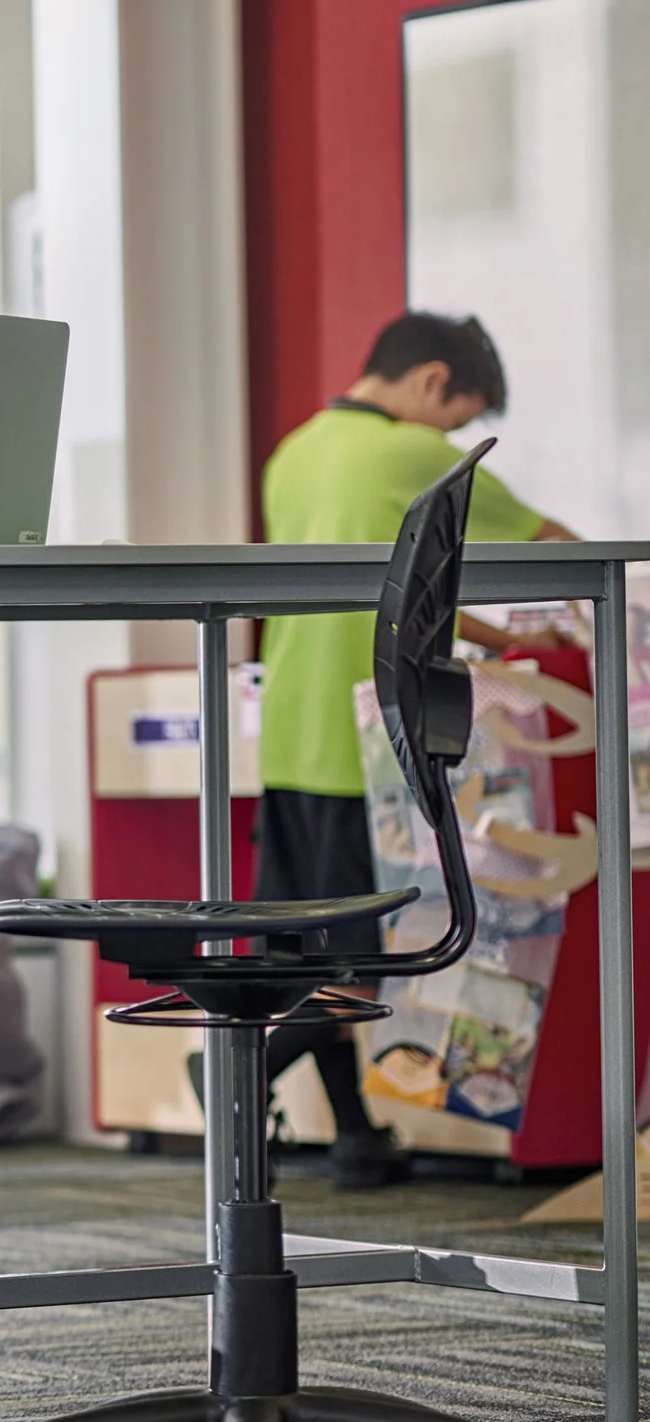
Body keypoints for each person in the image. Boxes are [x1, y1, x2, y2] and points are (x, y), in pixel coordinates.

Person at [248, 311, 577, 1190]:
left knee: (312, 949)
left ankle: (354, 1136)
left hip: (289, 726)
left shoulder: (296, 449)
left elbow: (379, 588)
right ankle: (242, 1070)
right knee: (368, 954)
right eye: (457, 416)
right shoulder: (412, 456)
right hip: (368, 732)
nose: (453, 437)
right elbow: (565, 554)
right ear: (432, 383)